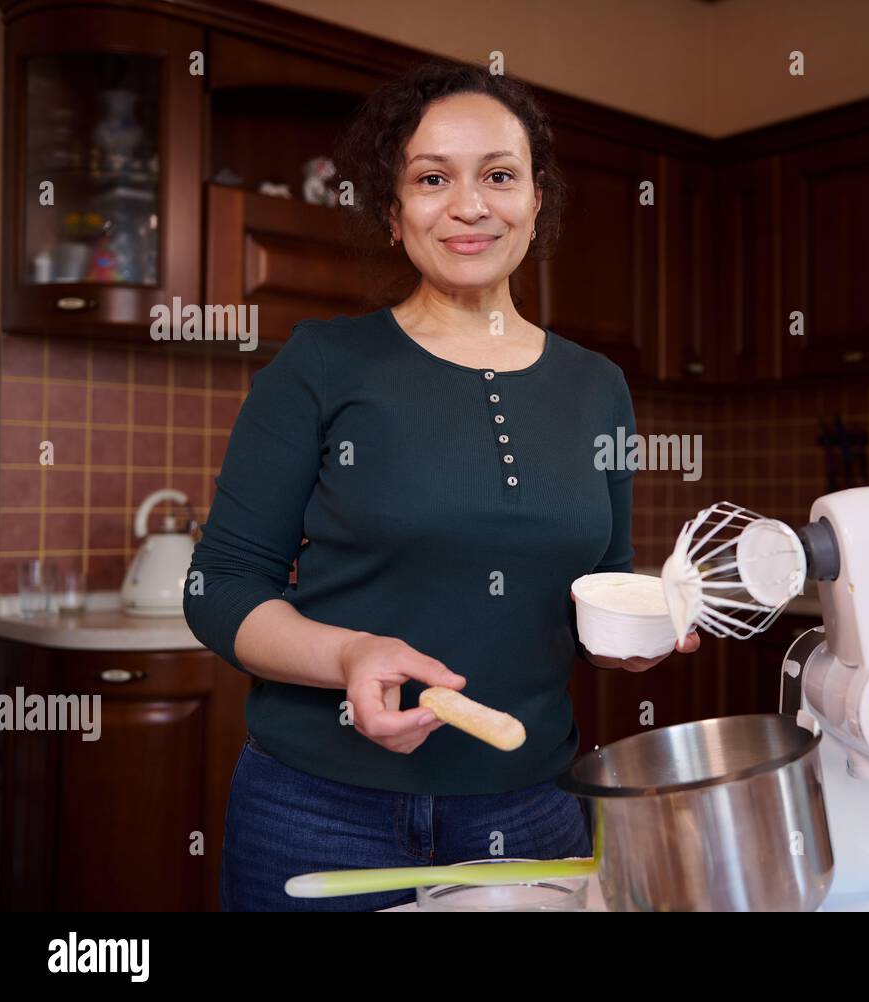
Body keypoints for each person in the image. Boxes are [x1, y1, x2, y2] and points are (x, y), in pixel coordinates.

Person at [184, 61, 700, 911]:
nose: (470, 205)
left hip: (532, 809)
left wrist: (635, 626)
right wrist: (346, 654)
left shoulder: (598, 386)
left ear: (537, 201)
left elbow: (598, 580)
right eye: (432, 179)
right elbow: (219, 587)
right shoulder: (321, 364)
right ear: (393, 214)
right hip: (318, 807)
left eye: (500, 175)